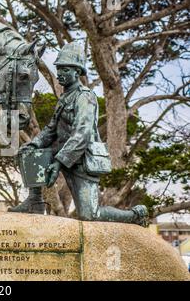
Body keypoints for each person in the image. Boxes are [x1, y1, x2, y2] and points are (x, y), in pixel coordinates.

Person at [9, 42, 148, 226]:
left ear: (77, 72)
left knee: (89, 215)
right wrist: (34, 144)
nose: (60, 73)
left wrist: (58, 162)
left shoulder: (85, 96)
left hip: (81, 161)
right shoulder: (65, 97)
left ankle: (134, 215)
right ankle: (34, 202)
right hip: (60, 154)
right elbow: (51, 129)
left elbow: (81, 134)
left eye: (65, 69)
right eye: (59, 69)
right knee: (29, 150)